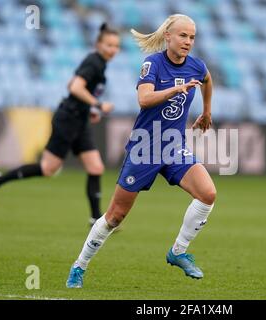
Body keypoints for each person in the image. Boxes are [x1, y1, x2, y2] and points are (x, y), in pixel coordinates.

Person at [66, 14, 217, 288]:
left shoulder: (196, 66)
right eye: (183, 36)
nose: (188, 42)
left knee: (208, 194)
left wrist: (206, 112)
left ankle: (178, 252)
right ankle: (79, 266)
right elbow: (144, 100)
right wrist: (176, 88)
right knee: (115, 216)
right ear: (168, 36)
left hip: (173, 146)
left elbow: (207, 79)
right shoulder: (153, 63)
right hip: (145, 147)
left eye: (192, 37)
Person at [0, 23, 120, 227]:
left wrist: (91, 110)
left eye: (116, 46)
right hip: (68, 119)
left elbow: (71, 85)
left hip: (80, 120)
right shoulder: (94, 62)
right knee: (48, 169)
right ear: (98, 44)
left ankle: (95, 218)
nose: (113, 49)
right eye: (109, 45)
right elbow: (76, 87)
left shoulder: (100, 64)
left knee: (95, 167)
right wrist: (98, 104)